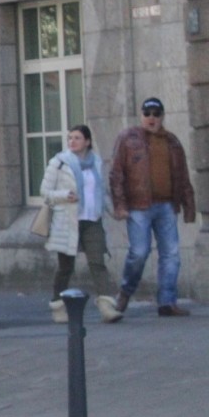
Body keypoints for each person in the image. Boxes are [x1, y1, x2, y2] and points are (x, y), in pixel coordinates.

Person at [109, 97, 197, 317]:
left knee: (172, 254)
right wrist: (120, 205)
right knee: (139, 252)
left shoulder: (173, 142)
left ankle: (167, 302)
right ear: (141, 115)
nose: (151, 118)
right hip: (138, 206)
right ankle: (125, 292)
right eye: (147, 113)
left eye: (156, 113)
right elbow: (116, 173)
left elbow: (182, 175)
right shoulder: (128, 138)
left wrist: (189, 206)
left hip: (166, 205)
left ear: (162, 116)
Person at [40, 125, 122, 324]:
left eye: (77, 138)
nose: (72, 141)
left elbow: (102, 192)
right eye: (70, 138)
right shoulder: (59, 163)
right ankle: (58, 305)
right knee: (65, 267)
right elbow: (45, 192)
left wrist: (114, 211)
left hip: (92, 219)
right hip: (67, 222)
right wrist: (64, 195)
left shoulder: (96, 163)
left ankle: (106, 306)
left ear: (87, 141)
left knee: (98, 263)